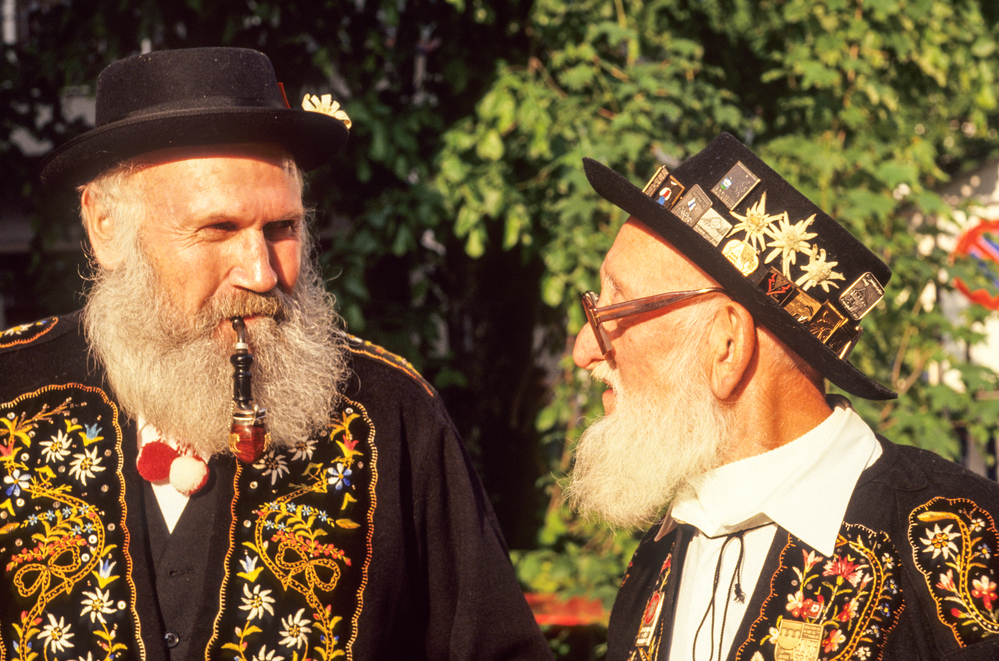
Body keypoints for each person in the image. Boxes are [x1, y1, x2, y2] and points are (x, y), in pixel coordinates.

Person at [0, 47, 551, 661]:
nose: (262, 273)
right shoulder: (8, 391)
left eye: (282, 229)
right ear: (105, 226)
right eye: (217, 230)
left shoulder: (388, 414)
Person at [568, 132, 999, 660]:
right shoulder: (662, 550)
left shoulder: (962, 540)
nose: (584, 347)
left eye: (614, 310)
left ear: (725, 344)